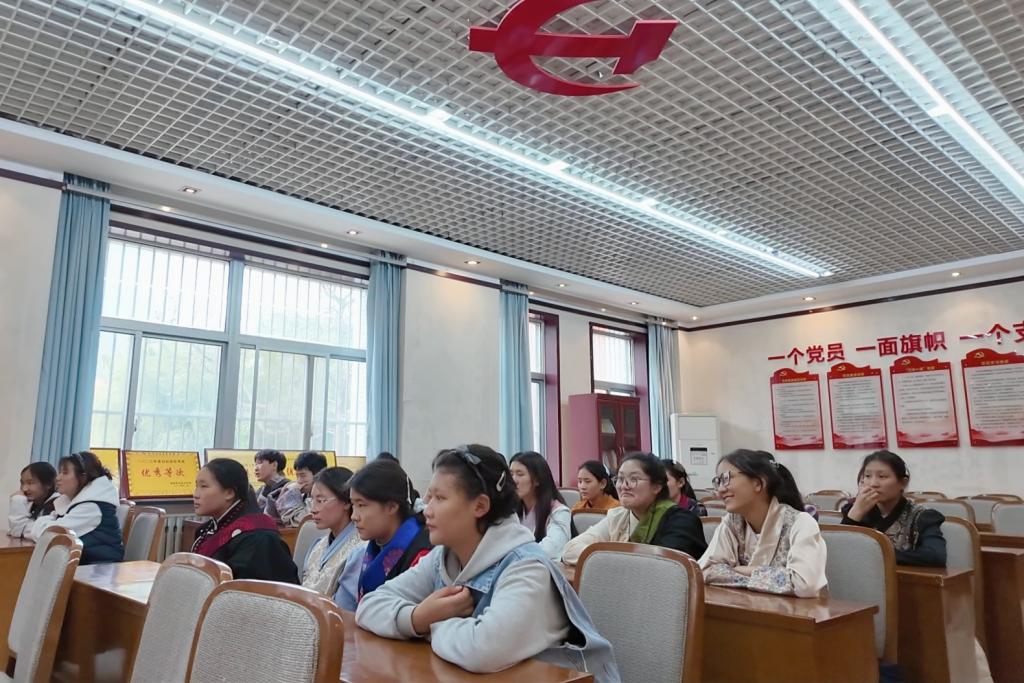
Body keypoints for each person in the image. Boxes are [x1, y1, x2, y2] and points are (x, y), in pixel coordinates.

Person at [356, 445, 621, 682]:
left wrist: (429, 622)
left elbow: (482, 650)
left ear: (480, 506)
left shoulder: (527, 568)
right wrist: (417, 617)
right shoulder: (444, 556)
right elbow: (369, 605)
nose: (427, 509)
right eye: (429, 497)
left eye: (440, 498)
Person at [699, 450, 827, 597]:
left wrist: (744, 570)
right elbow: (705, 570)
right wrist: (766, 578)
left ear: (758, 483)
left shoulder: (801, 523)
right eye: (718, 481)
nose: (721, 490)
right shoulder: (732, 523)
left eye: (727, 478)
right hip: (745, 606)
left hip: (796, 610)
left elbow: (803, 584)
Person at [562, 452, 707, 565]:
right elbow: (570, 550)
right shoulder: (618, 516)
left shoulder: (681, 521)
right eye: (620, 479)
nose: (624, 486)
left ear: (657, 486)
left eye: (634, 479)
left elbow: (663, 566)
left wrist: (602, 557)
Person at [334, 459, 433, 610]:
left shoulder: (424, 556)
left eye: (361, 505)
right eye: (353, 505)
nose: (354, 516)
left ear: (391, 506)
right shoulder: (374, 544)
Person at [191, 458, 299, 583]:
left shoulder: (259, 537)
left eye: (204, 486)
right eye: (196, 486)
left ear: (229, 492)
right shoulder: (206, 530)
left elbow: (250, 590)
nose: (196, 494)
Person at [840, 450, 946, 567]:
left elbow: (936, 556)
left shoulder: (922, 516)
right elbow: (839, 551)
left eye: (882, 476)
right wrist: (855, 514)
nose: (873, 483)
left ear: (903, 483)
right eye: (868, 476)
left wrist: (873, 553)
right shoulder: (854, 510)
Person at [28, 452, 124, 564]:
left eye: (65, 473)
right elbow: (47, 529)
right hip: (83, 563)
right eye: (59, 472)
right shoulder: (74, 501)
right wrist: (44, 525)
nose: (58, 478)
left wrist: (42, 524)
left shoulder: (92, 507)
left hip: (100, 567)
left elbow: (51, 536)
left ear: (83, 476)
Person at [301, 466, 362, 595]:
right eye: (311, 500)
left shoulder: (361, 548)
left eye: (320, 501)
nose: (313, 509)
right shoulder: (318, 545)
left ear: (346, 502)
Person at [510, 451, 571, 559]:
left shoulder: (559, 512)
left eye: (520, 474)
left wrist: (512, 554)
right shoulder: (512, 510)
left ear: (537, 480)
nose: (513, 480)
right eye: (511, 474)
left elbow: (550, 550)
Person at [275, 451, 329, 527]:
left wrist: (293, 495)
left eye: (303, 476)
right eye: (297, 476)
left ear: (318, 474)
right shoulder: (303, 494)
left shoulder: (324, 497)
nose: (299, 481)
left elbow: (301, 521)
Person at [8, 462, 59, 538]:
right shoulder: (35, 504)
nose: (24, 488)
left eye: (30, 483)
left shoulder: (57, 505)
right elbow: (15, 529)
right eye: (22, 483)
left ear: (48, 484)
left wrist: (17, 500)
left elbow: (18, 531)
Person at [253, 449, 289, 520]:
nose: (255, 468)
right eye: (255, 464)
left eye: (260, 463)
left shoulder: (287, 488)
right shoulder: (261, 490)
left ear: (274, 465)